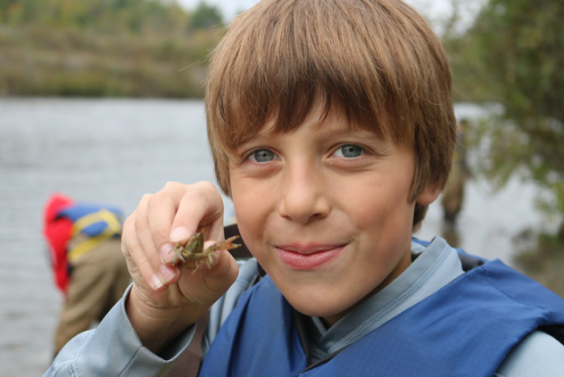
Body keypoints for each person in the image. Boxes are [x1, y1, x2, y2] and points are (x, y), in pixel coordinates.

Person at [45, 1, 564, 376]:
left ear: (428, 173)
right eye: (261, 155)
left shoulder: (524, 362)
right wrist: (152, 322)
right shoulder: (221, 313)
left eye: (350, 151)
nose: (298, 202)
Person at [42, 193, 131, 356]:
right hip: (123, 254)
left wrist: (70, 294)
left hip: (95, 260)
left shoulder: (58, 223)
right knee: (115, 317)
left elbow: (60, 262)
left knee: (74, 320)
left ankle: (58, 366)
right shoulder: (87, 214)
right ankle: (121, 362)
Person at [441, 119, 470, 224]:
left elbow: (464, 156)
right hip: (454, 168)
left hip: (458, 168)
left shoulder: (463, 137)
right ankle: (448, 216)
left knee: (458, 193)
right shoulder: (456, 136)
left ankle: (451, 217)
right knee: (452, 192)